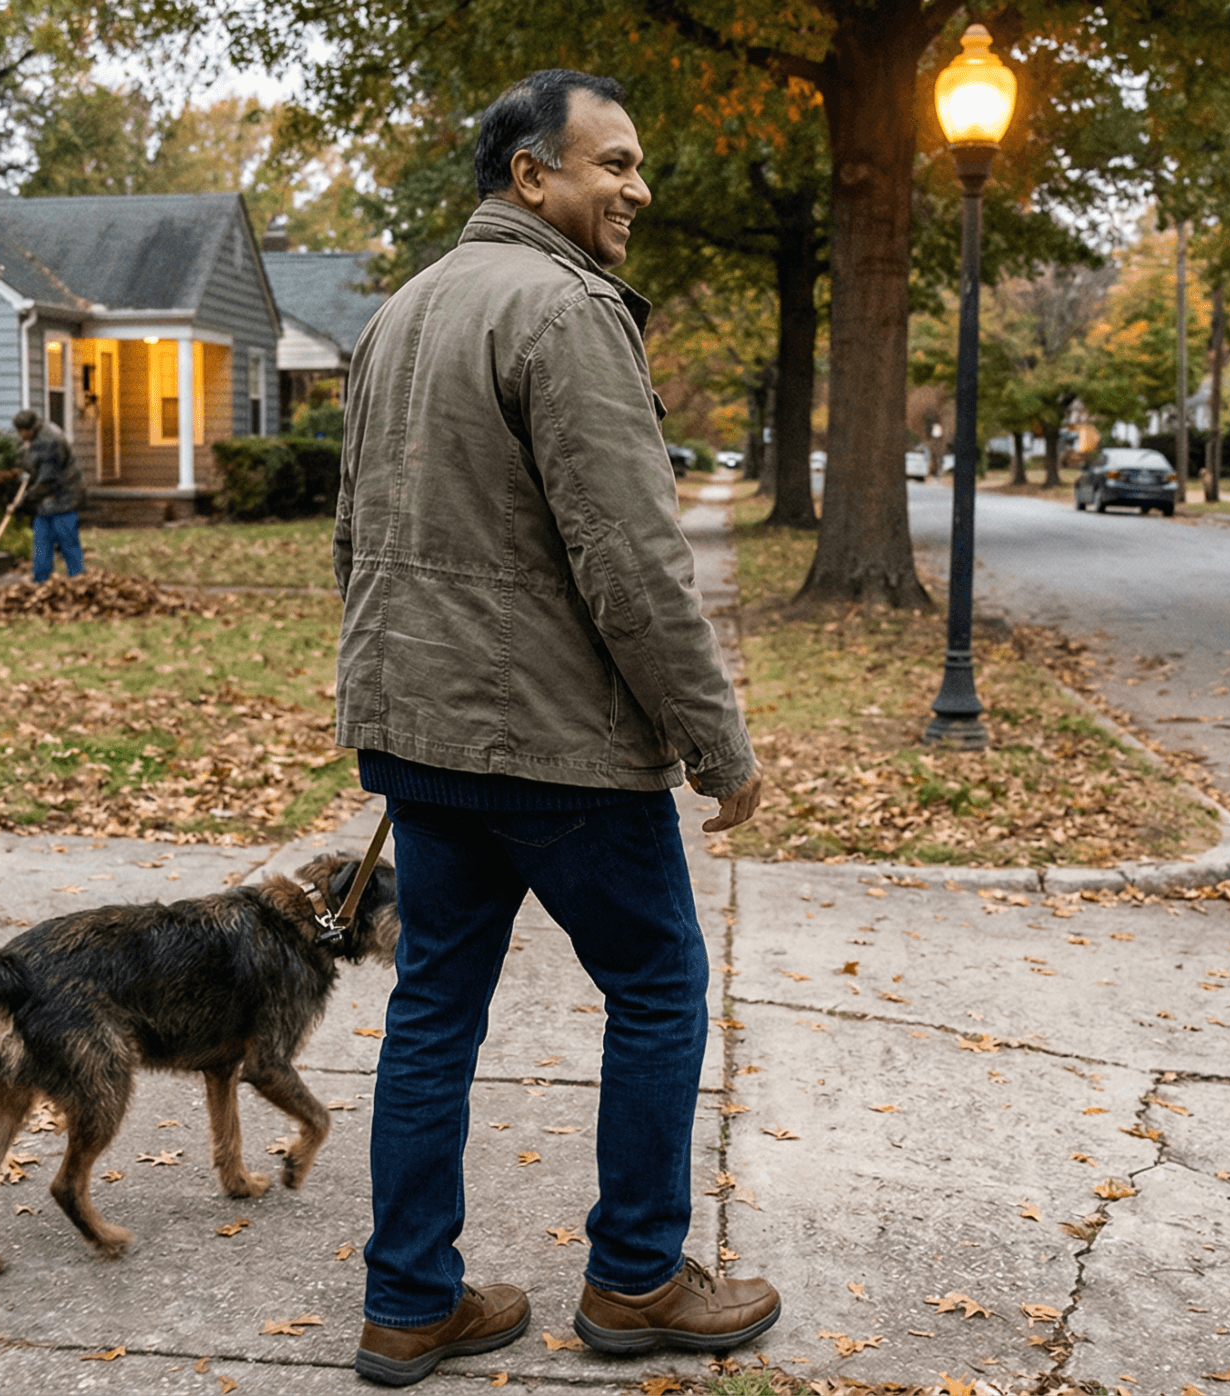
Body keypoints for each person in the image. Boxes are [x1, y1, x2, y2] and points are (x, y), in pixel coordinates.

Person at [333, 69, 776, 1388]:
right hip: (555, 746)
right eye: (614, 165)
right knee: (658, 988)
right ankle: (637, 1281)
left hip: (422, 738)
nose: (636, 190)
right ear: (532, 175)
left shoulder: (403, 311)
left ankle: (409, 1302)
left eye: (637, 168)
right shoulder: (565, 309)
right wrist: (719, 744)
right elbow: (632, 559)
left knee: (432, 1015)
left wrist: (398, 696)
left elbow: (352, 540)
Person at [12, 409, 83, 582]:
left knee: (68, 544)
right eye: (19, 431)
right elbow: (31, 465)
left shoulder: (49, 441)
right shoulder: (35, 437)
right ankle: (41, 581)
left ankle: (79, 582)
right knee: (41, 544)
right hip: (45, 503)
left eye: (23, 431)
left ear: (31, 427)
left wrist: (24, 499)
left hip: (63, 498)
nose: (21, 435)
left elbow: (48, 480)